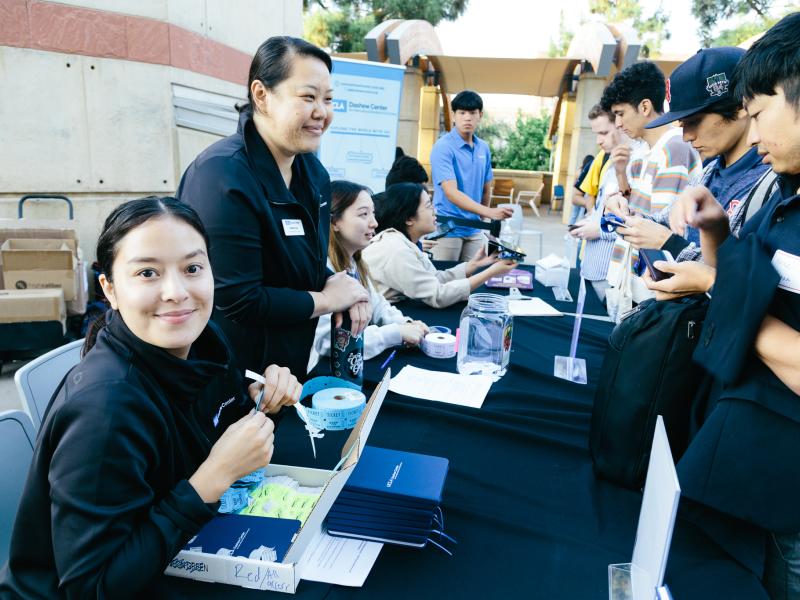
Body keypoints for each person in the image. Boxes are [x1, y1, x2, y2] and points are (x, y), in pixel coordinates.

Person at [0, 197, 302, 598]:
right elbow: (90, 588)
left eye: (192, 268)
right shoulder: (105, 412)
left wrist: (263, 401)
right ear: (109, 289)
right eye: (147, 273)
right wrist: (209, 480)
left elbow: (215, 427)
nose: (176, 292)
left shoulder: (205, 342)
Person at [666, 14, 800, 598]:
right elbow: (749, 285)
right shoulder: (787, 191)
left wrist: (724, 296)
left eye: (760, 110)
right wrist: (717, 230)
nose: (755, 127)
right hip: (753, 462)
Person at [177, 36, 370, 380]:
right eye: (308, 97)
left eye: (328, 99)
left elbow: (302, 267)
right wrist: (326, 301)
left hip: (287, 368)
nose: (321, 113)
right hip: (229, 375)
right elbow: (236, 298)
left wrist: (345, 290)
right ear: (262, 95)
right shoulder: (221, 175)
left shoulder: (312, 172)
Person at [609, 47, 778, 271]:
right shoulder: (708, 173)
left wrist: (670, 244)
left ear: (740, 107)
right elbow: (662, 221)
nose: (687, 136)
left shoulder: (771, 183)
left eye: (695, 121)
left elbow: (742, 280)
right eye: (682, 124)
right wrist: (624, 214)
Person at [598, 61, 702, 295]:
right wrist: (615, 200)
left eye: (620, 114)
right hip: (632, 278)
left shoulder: (674, 148)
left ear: (645, 107)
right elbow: (633, 206)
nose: (618, 124)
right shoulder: (641, 150)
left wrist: (620, 213)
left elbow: (658, 229)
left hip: (652, 284)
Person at [308, 181, 429, 372]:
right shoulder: (322, 270)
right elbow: (327, 342)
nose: (374, 222)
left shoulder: (354, 262)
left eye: (372, 213)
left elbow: (378, 304)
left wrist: (405, 323)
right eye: (364, 214)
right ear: (333, 222)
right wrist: (395, 333)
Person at [363, 182, 517, 308]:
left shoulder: (404, 242)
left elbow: (433, 278)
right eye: (429, 206)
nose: (435, 211)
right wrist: (490, 272)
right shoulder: (396, 250)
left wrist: (474, 265)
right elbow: (438, 295)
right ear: (409, 218)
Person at [430, 90, 513, 261]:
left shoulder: (483, 148)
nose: (467, 118)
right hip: (448, 228)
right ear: (453, 116)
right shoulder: (443, 147)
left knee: (473, 281)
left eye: (472, 112)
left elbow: (486, 188)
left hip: (475, 230)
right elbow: (451, 192)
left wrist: (482, 220)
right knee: (445, 282)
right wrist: (489, 212)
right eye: (462, 113)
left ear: (480, 115)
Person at [569, 105, 630, 301]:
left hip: (610, 276)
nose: (598, 141)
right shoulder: (609, 162)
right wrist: (589, 222)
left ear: (621, 124)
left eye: (604, 133)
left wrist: (598, 230)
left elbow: (635, 222)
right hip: (594, 270)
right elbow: (599, 210)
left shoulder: (631, 165)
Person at [568, 154, 597, 225]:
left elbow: (574, 184)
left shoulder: (579, 171)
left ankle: (571, 227)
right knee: (581, 213)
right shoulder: (586, 171)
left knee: (574, 214)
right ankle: (577, 226)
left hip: (581, 194)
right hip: (584, 194)